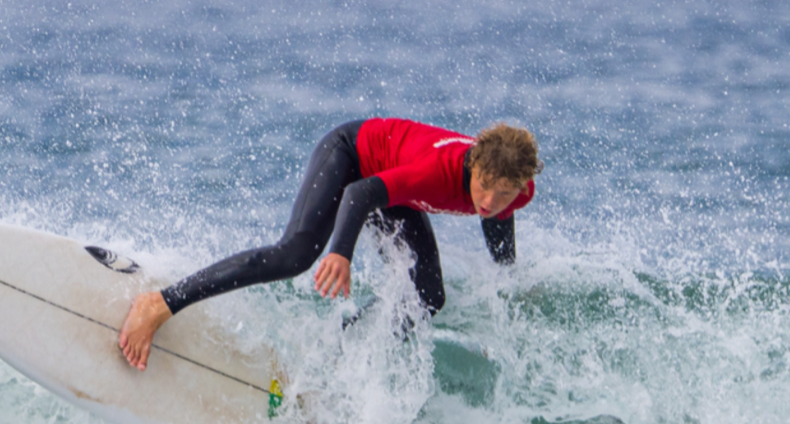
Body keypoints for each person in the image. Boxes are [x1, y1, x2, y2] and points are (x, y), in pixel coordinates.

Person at [119, 118, 542, 370]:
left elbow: (500, 220)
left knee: (428, 297)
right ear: (474, 165)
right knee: (295, 256)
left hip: (391, 189)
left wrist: (506, 276)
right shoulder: (439, 172)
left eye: (504, 193)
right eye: (484, 186)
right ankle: (159, 303)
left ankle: (339, 356)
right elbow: (360, 194)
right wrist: (341, 250)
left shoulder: (514, 191)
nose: (488, 201)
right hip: (352, 158)